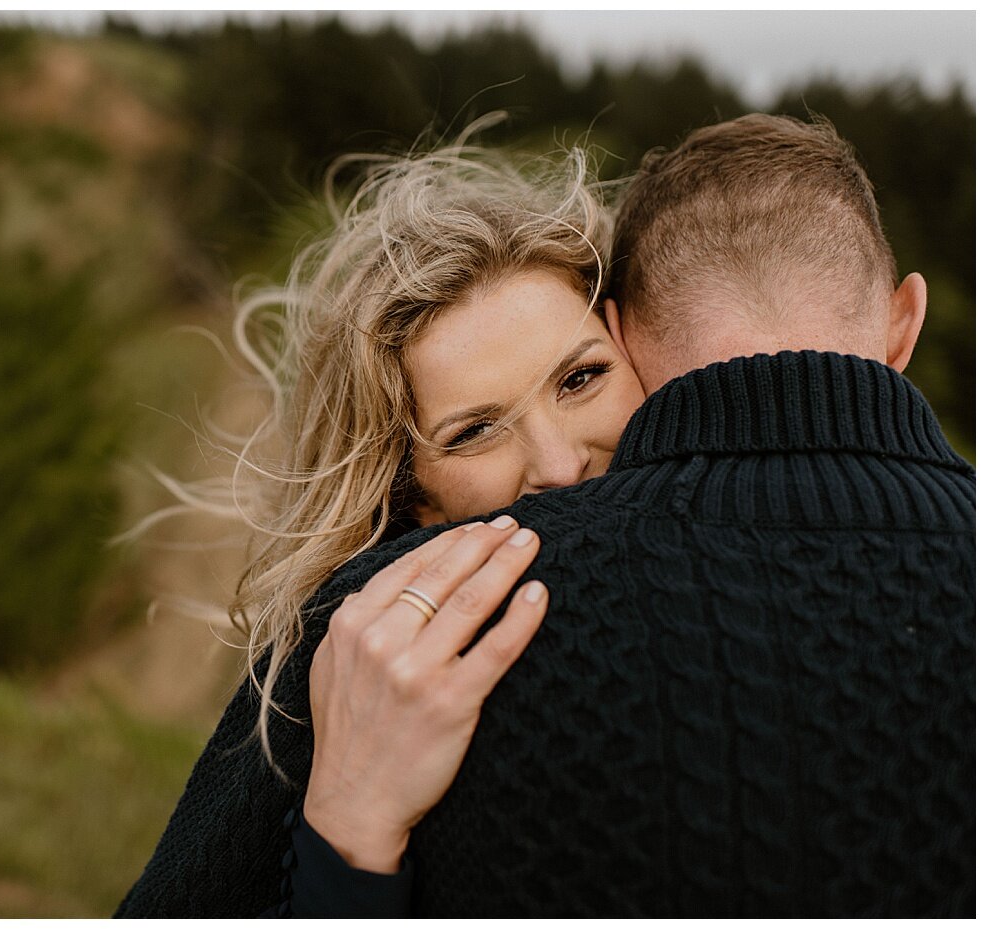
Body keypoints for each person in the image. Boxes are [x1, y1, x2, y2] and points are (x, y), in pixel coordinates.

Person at [118, 114, 975, 917]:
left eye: (581, 379)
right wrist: (347, 830)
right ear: (407, 493)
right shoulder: (362, 642)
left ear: (633, 343)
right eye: (475, 430)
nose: (562, 465)